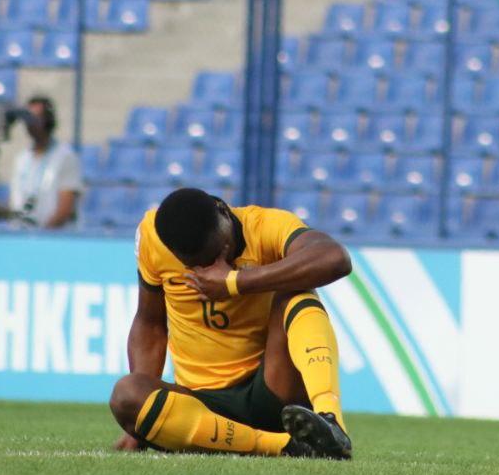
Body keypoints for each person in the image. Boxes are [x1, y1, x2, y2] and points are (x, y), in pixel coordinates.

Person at [108, 187, 353, 459]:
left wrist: (236, 282)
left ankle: (331, 420)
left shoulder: (265, 227)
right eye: (195, 266)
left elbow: (334, 258)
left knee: (296, 288)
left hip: (272, 390)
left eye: (217, 254)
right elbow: (150, 323)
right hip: (202, 409)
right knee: (127, 394)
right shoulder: (153, 238)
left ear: (224, 211)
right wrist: (138, 427)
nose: (208, 269)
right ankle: (284, 446)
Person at [0, 95, 82, 229]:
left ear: (48, 121)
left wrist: (41, 236)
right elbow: (16, 201)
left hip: (52, 238)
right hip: (22, 237)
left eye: (35, 118)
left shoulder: (65, 157)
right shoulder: (22, 159)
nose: (30, 124)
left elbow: (65, 209)